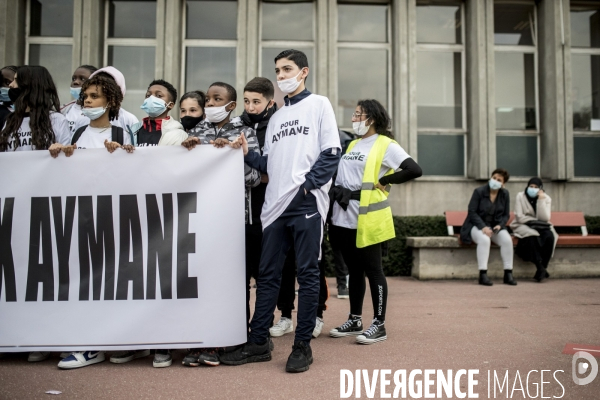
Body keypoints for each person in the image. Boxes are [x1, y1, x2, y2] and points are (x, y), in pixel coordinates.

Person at [224, 49, 341, 373]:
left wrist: (307, 187)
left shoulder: (319, 105)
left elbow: (332, 153)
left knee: (307, 274)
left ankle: (302, 345)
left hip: (304, 204)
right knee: (268, 277)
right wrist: (248, 154)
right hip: (274, 209)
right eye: (277, 70)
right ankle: (258, 341)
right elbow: (270, 165)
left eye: (287, 69)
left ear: (303, 72)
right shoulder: (275, 118)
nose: (281, 75)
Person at [328, 99, 422, 344]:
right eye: (354, 114)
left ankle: (379, 324)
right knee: (354, 271)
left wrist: (387, 180)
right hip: (344, 216)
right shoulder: (352, 144)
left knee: (374, 271)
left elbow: (414, 169)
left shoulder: (386, 144)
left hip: (368, 217)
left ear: (372, 118)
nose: (353, 119)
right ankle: (355, 319)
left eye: (358, 115)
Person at [180, 81, 260, 367]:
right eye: (209, 100)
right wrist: (187, 151)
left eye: (218, 99)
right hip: (200, 219)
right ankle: (202, 340)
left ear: (231, 104)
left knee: (233, 282)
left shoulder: (245, 131)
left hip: (233, 221)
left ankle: (232, 338)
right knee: (201, 280)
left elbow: (256, 179)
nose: (212, 104)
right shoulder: (195, 131)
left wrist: (232, 155)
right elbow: (182, 173)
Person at [238, 77, 277, 331]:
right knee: (240, 275)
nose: (250, 107)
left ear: (269, 102)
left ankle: (264, 325)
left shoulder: (277, 126)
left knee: (267, 274)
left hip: (269, 211)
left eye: (256, 102)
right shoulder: (236, 126)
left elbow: (278, 169)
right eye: (246, 101)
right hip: (241, 213)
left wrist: (261, 172)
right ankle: (239, 325)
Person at [459, 168, 516, 286]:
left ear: (503, 184)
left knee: (507, 240)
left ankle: (508, 273)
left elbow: (506, 215)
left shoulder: (505, 194)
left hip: (495, 227)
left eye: (499, 180)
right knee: (485, 240)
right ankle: (483, 274)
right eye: (494, 178)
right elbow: (472, 212)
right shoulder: (479, 191)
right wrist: (483, 227)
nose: (495, 181)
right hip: (476, 226)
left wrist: (500, 225)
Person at [0, 65, 70, 152]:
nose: (11, 85)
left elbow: (66, 157)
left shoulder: (57, 120)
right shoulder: (11, 121)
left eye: (16, 80)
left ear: (31, 86)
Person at [63, 66, 139, 137]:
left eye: (94, 96)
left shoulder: (128, 120)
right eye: (86, 96)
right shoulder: (81, 123)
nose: (88, 100)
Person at [510, 178, 558, 282]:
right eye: (531, 186)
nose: (533, 189)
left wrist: (540, 200)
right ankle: (540, 267)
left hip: (541, 226)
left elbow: (545, 218)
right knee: (531, 236)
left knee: (549, 236)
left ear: (540, 189)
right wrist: (534, 221)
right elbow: (519, 217)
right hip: (522, 224)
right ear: (527, 186)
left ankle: (542, 268)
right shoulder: (520, 196)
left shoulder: (546, 198)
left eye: (536, 187)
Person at [60, 64, 98, 133]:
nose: (76, 82)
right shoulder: (62, 111)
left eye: (82, 79)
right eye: (73, 79)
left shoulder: (100, 112)